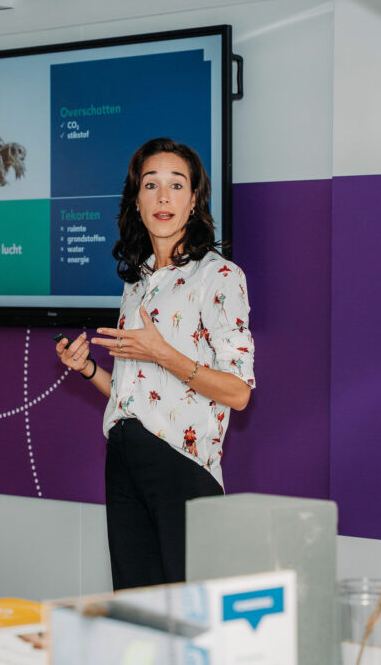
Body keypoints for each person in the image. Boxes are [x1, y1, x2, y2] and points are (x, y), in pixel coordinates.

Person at [54, 137, 255, 590]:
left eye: (176, 185)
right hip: (124, 455)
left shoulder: (219, 276)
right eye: (151, 185)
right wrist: (88, 370)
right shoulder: (138, 281)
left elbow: (239, 393)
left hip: (182, 464)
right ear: (137, 201)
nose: (164, 197)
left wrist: (160, 350)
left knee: (188, 612)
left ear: (194, 200)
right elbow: (138, 393)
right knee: (137, 608)